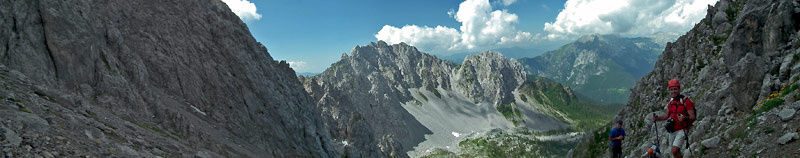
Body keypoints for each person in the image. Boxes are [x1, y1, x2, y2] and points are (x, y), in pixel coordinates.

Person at [652, 79, 695, 158]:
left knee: (674, 150)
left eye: (675, 89)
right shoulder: (671, 102)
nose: (673, 91)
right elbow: (666, 116)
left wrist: (684, 118)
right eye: (671, 89)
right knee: (674, 151)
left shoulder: (686, 101)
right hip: (672, 129)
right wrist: (657, 118)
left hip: (682, 128)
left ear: (679, 89)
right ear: (669, 90)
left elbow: (692, 117)